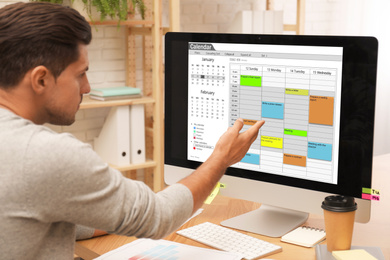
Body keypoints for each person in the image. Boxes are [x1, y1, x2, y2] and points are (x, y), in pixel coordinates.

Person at [0, 2, 265, 259]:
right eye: (80, 74)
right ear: (41, 79)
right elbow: (158, 217)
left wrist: (113, 213)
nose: (87, 87)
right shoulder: (46, 154)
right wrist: (222, 157)